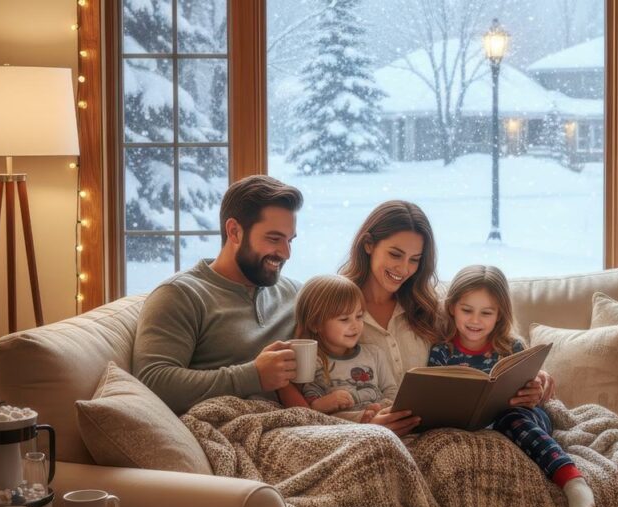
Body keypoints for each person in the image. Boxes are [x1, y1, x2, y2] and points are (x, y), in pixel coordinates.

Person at [340, 201, 550, 437]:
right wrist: (365, 424)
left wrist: (537, 378)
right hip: (370, 434)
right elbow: (312, 388)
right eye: (395, 254)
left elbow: (483, 341)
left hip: (432, 433)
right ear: (368, 245)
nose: (404, 268)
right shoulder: (335, 306)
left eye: (415, 259)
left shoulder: (428, 307)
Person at [429, 265, 595, 507]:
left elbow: (534, 389)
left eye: (486, 313)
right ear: (452, 307)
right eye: (467, 310)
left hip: (522, 417)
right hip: (469, 423)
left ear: (499, 314)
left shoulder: (511, 346)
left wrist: (535, 390)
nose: (475, 320)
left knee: (511, 418)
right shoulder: (441, 351)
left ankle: (572, 480)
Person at [133, 175, 304, 414]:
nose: (286, 253)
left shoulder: (295, 293)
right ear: (234, 231)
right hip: (231, 428)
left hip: (301, 423)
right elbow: (153, 381)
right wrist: (253, 376)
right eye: (274, 239)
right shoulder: (180, 295)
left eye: (290, 240)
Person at [276, 274, 397, 423]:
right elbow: (307, 413)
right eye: (344, 319)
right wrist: (321, 404)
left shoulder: (375, 354)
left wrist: (382, 408)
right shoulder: (311, 361)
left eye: (359, 316)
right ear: (316, 324)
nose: (355, 325)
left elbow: (391, 390)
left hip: (381, 418)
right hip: (340, 426)